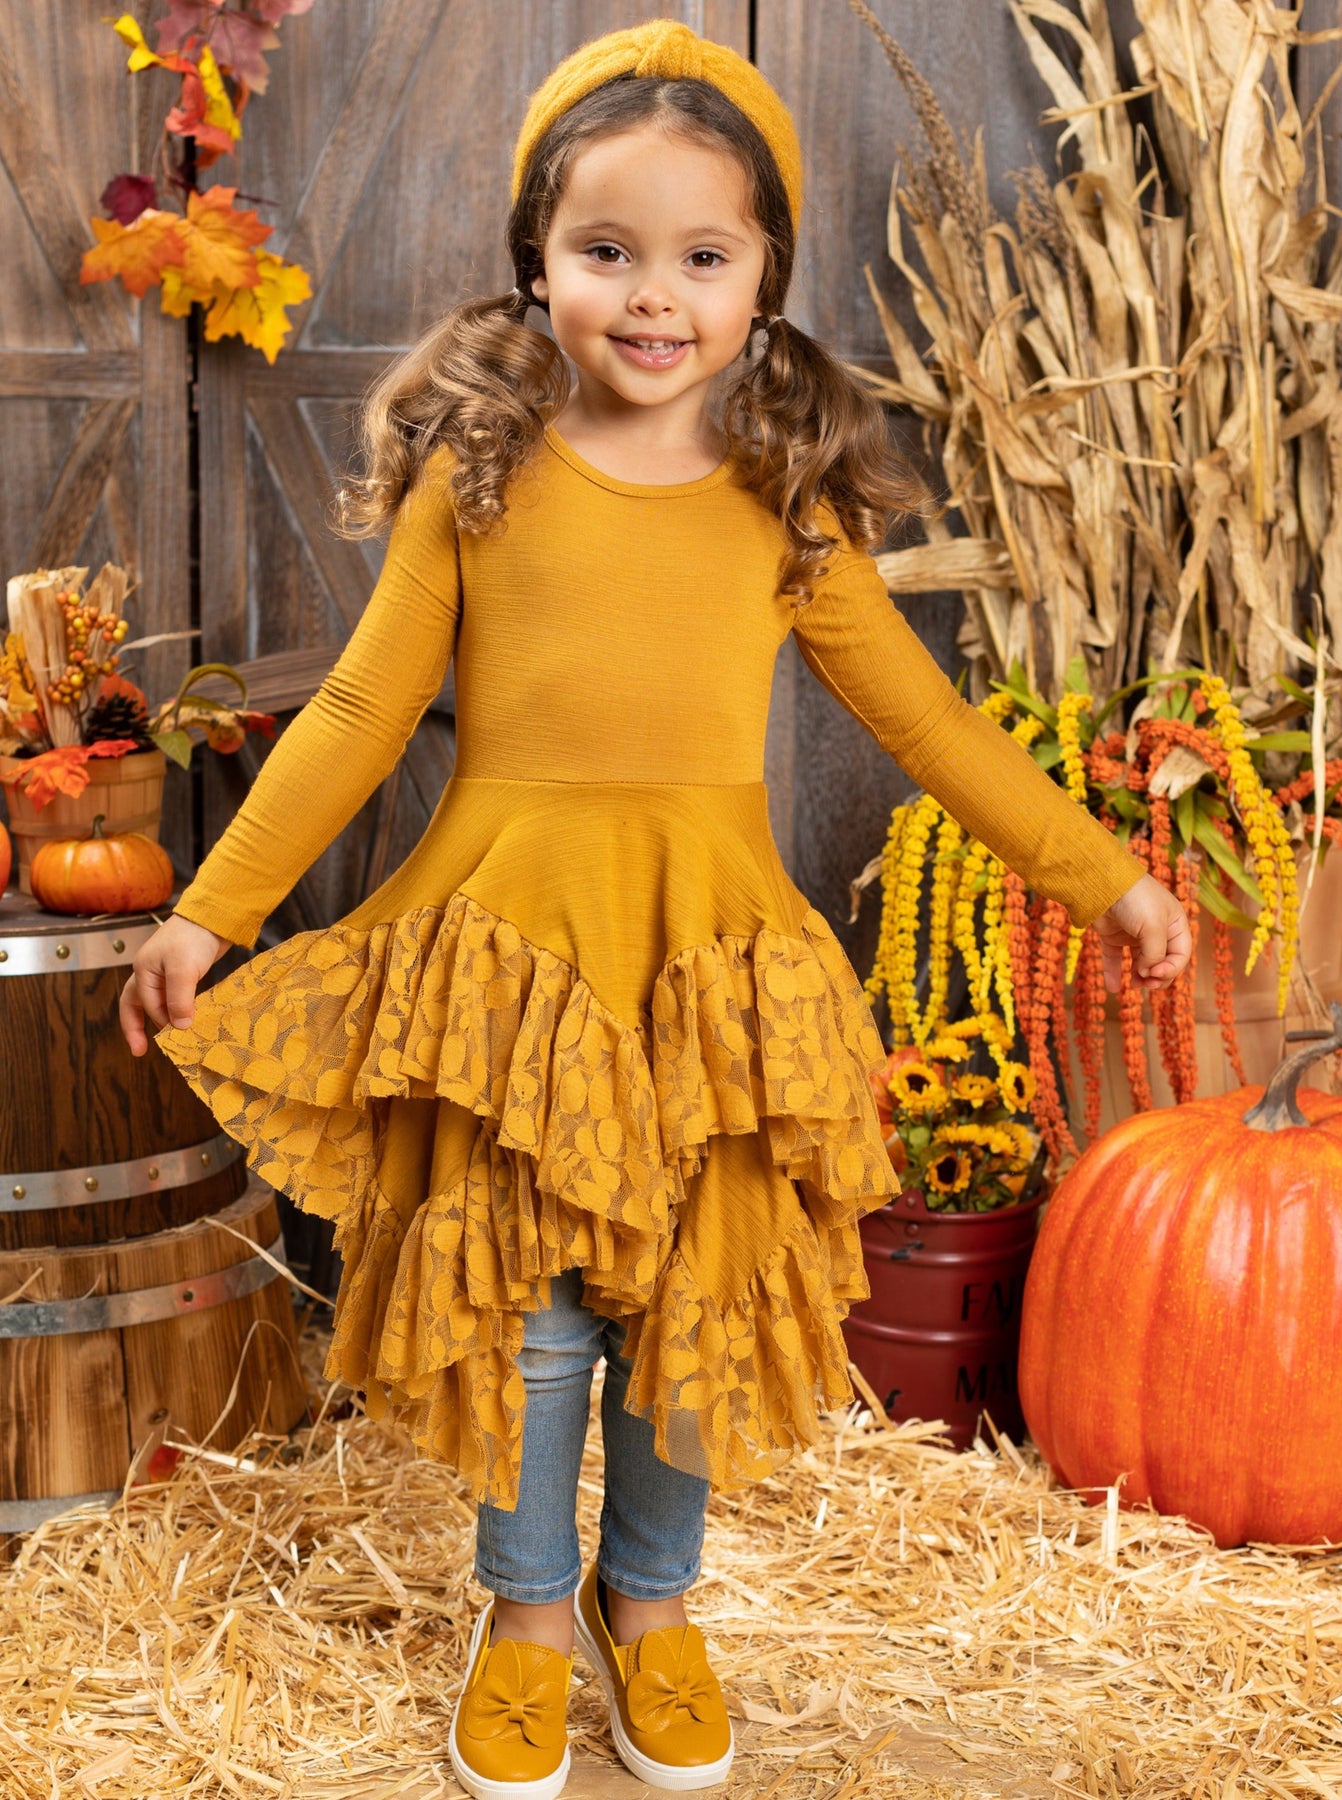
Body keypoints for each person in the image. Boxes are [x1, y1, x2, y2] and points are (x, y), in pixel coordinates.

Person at [119, 19, 1189, 1799]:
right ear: (535, 260)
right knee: (536, 1319)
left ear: (763, 280)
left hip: (707, 971)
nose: (651, 296)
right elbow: (362, 710)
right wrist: (208, 915)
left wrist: (1108, 872)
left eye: (702, 257)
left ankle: (654, 1603)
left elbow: (924, 725)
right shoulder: (480, 479)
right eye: (606, 250)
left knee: (689, 1302)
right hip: (511, 962)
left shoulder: (784, 504)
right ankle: (529, 1614)